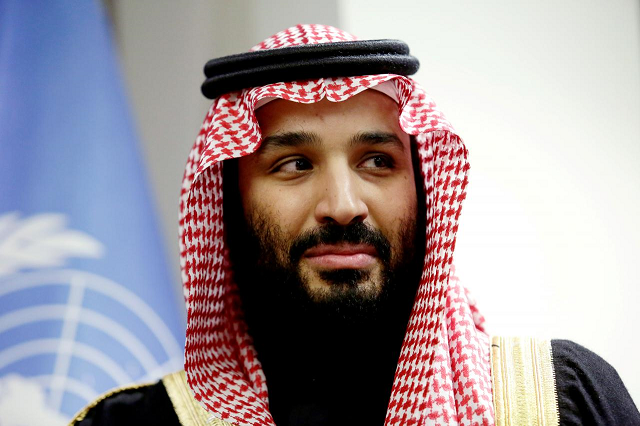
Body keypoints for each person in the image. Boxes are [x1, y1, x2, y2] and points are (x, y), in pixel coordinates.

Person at [72, 24, 639, 426]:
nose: (343, 205)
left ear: (423, 190)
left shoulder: (555, 402)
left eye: (378, 162)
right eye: (294, 164)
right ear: (228, 202)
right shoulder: (134, 422)